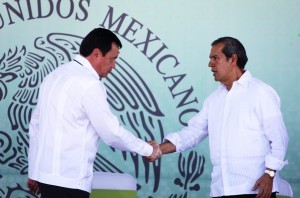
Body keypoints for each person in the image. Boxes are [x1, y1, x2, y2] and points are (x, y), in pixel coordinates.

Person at [27, 28, 161, 198]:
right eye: (112, 59)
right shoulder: (89, 84)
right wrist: (148, 150)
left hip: (45, 179)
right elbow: (111, 133)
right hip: (71, 183)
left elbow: (35, 126)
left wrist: (34, 171)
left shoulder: (53, 76)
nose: (114, 66)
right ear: (97, 54)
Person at [149, 37, 289, 198]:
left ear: (233, 59)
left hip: (255, 190)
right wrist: (158, 149)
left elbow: (280, 138)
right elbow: (192, 133)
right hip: (220, 191)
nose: (210, 64)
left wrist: (270, 174)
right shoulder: (213, 99)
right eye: (210, 59)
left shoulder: (261, 92)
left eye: (215, 58)